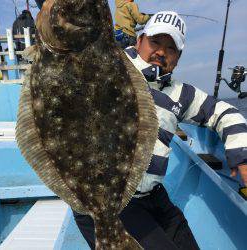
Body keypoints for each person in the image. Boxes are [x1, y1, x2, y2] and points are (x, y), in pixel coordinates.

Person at [73, 10, 247, 249]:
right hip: (105, 199)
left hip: (152, 194)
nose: (161, 52)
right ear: (139, 40)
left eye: (171, 47)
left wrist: (241, 156)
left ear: (179, 56)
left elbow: (225, 113)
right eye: (155, 41)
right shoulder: (110, 68)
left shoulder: (180, 94)